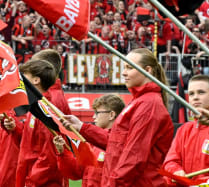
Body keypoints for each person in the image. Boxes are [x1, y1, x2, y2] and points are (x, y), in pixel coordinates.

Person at [62, 48, 174, 186]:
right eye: (124, 67)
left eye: (129, 67)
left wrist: (113, 184)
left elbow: (134, 157)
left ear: (148, 70)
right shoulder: (140, 102)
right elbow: (117, 143)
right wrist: (82, 127)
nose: (124, 73)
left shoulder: (148, 105)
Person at [162, 75, 209, 185]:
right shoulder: (183, 130)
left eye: (201, 92)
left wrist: (200, 183)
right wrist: (175, 171)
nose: (195, 97)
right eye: (191, 94)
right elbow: (170, 161)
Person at [11, 58, 66, 187]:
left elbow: (49, 155)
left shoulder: (45, 111)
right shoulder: (36, 106)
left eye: (25, 77)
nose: (21, 81)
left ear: (36, 80)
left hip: (39, 182)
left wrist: (31, 181)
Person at [53, 94, 126, 187]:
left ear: (111, 115)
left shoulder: (122, 142)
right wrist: (62, 153)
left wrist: (81, 127)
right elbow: (77, 172)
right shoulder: (93, 142)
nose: (93, 117)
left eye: (97, 112)